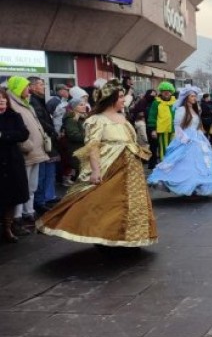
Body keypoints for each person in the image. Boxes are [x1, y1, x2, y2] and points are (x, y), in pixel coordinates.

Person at [37, 79, 157, 247]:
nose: (124, 100)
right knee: (109, 205)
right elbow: (92, 147)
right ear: (111, 98)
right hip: (112, 167)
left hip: (131, 170)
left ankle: (131, 238)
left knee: (133, 204)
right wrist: (95, 171)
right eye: (121, 96)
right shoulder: (97, 120)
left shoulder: (122, 117)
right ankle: (107, 238)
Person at [148, 86, 212, 196]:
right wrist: (185, 139)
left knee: (201, 162)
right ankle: (187, 185)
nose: (194, 98)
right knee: (185, 163)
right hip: (186, 138)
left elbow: (197, 124)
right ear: (186, 98)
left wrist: (201, 135)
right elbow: (177, 126)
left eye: (195, 96)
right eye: (192, 96)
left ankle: (198, 185)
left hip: (197, 137)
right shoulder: (181, 110)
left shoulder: (195, 110)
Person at [5, 76, 48, 233]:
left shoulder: (24, 103)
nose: (28, 90)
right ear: (17, 88)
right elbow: (17, 129)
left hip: (35, 151)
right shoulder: (14, 105)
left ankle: (29, 212)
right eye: (25, 87)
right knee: (21, 187)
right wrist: (26, 145)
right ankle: (17, 217)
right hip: (26, 152)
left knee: (31, 185)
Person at [0, 88, 30, 243]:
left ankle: (8, 228)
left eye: (3, 99)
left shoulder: (14, 116)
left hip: (12, 162)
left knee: (11, 198)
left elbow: (24, 134)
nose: (1, 102)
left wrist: (3, 136)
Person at [27, 77, 60, 214]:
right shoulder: (33, 101)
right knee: (40, 175)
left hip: (46, 140)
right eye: (41, 84)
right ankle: (39, 202)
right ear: (33, 87)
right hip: (42, 141)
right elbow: (40, 120)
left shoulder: (39, 100)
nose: (44, 87)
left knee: (46, 172)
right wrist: (52, 130)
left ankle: (45, 198)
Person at [148, 81, 176, 163]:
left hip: (174, 130)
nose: (167, 93)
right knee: (164, 148)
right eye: (164, 91)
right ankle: (164, 165)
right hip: (162, 130)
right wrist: (153, 130)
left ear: (171, 92)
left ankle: (173, 164)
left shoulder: (175, 102)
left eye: (168, 91)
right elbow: (152, 116)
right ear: (161, 92)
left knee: (174, 147)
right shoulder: (156, 103)